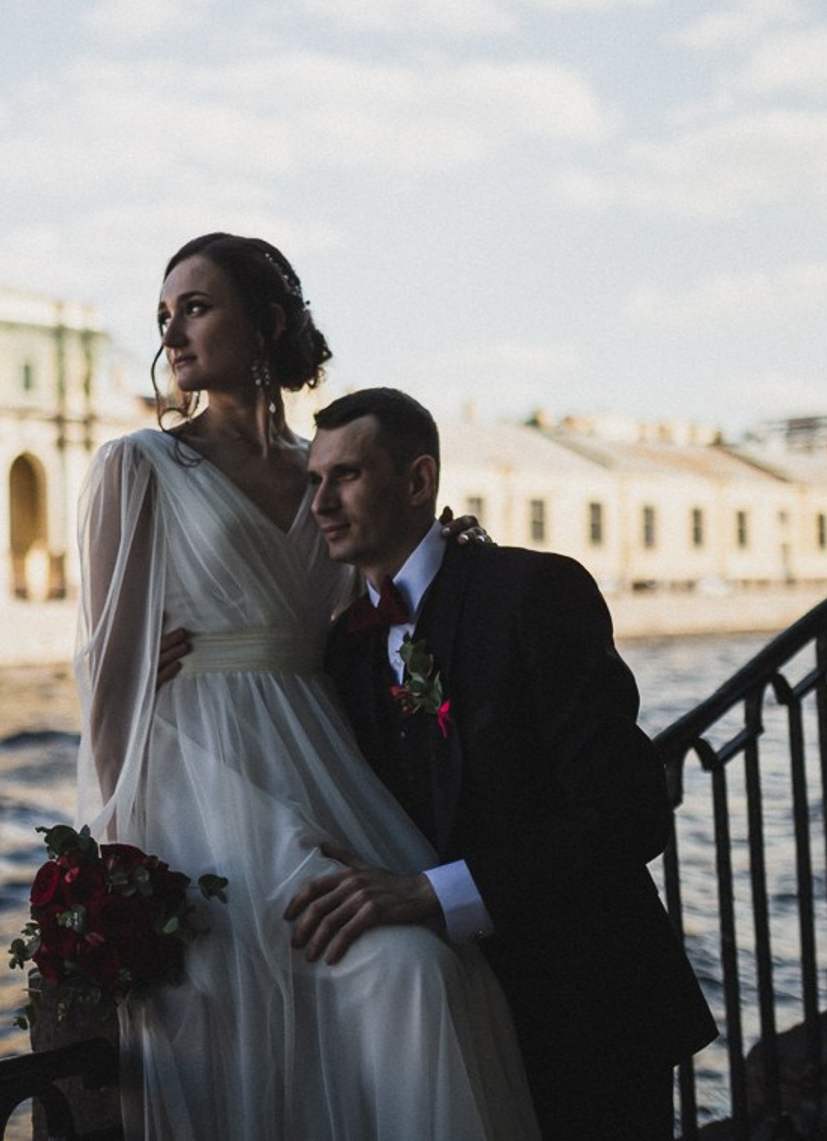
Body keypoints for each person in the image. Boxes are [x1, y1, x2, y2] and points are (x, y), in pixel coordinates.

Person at [76, 233, 540, 1139]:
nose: (173, 331)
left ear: (268, 325)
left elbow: (369, 607)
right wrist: (113, 848)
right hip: (202, 769)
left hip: (325, 754)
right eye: (165, 314)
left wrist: (447, 559)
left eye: (198, 307)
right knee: (306, 980)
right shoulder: (137, 466)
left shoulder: (322, 468)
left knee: (426, 967)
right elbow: (110, 678)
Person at [283, 386, 717, 1141]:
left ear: (419, 482)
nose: (320, 502)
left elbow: (629, 814)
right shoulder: (344, 649)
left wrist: (434, 893)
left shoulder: (534, 593)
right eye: (314, 481)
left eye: (346, 476)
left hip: (592, 1006)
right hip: (450, 1022)